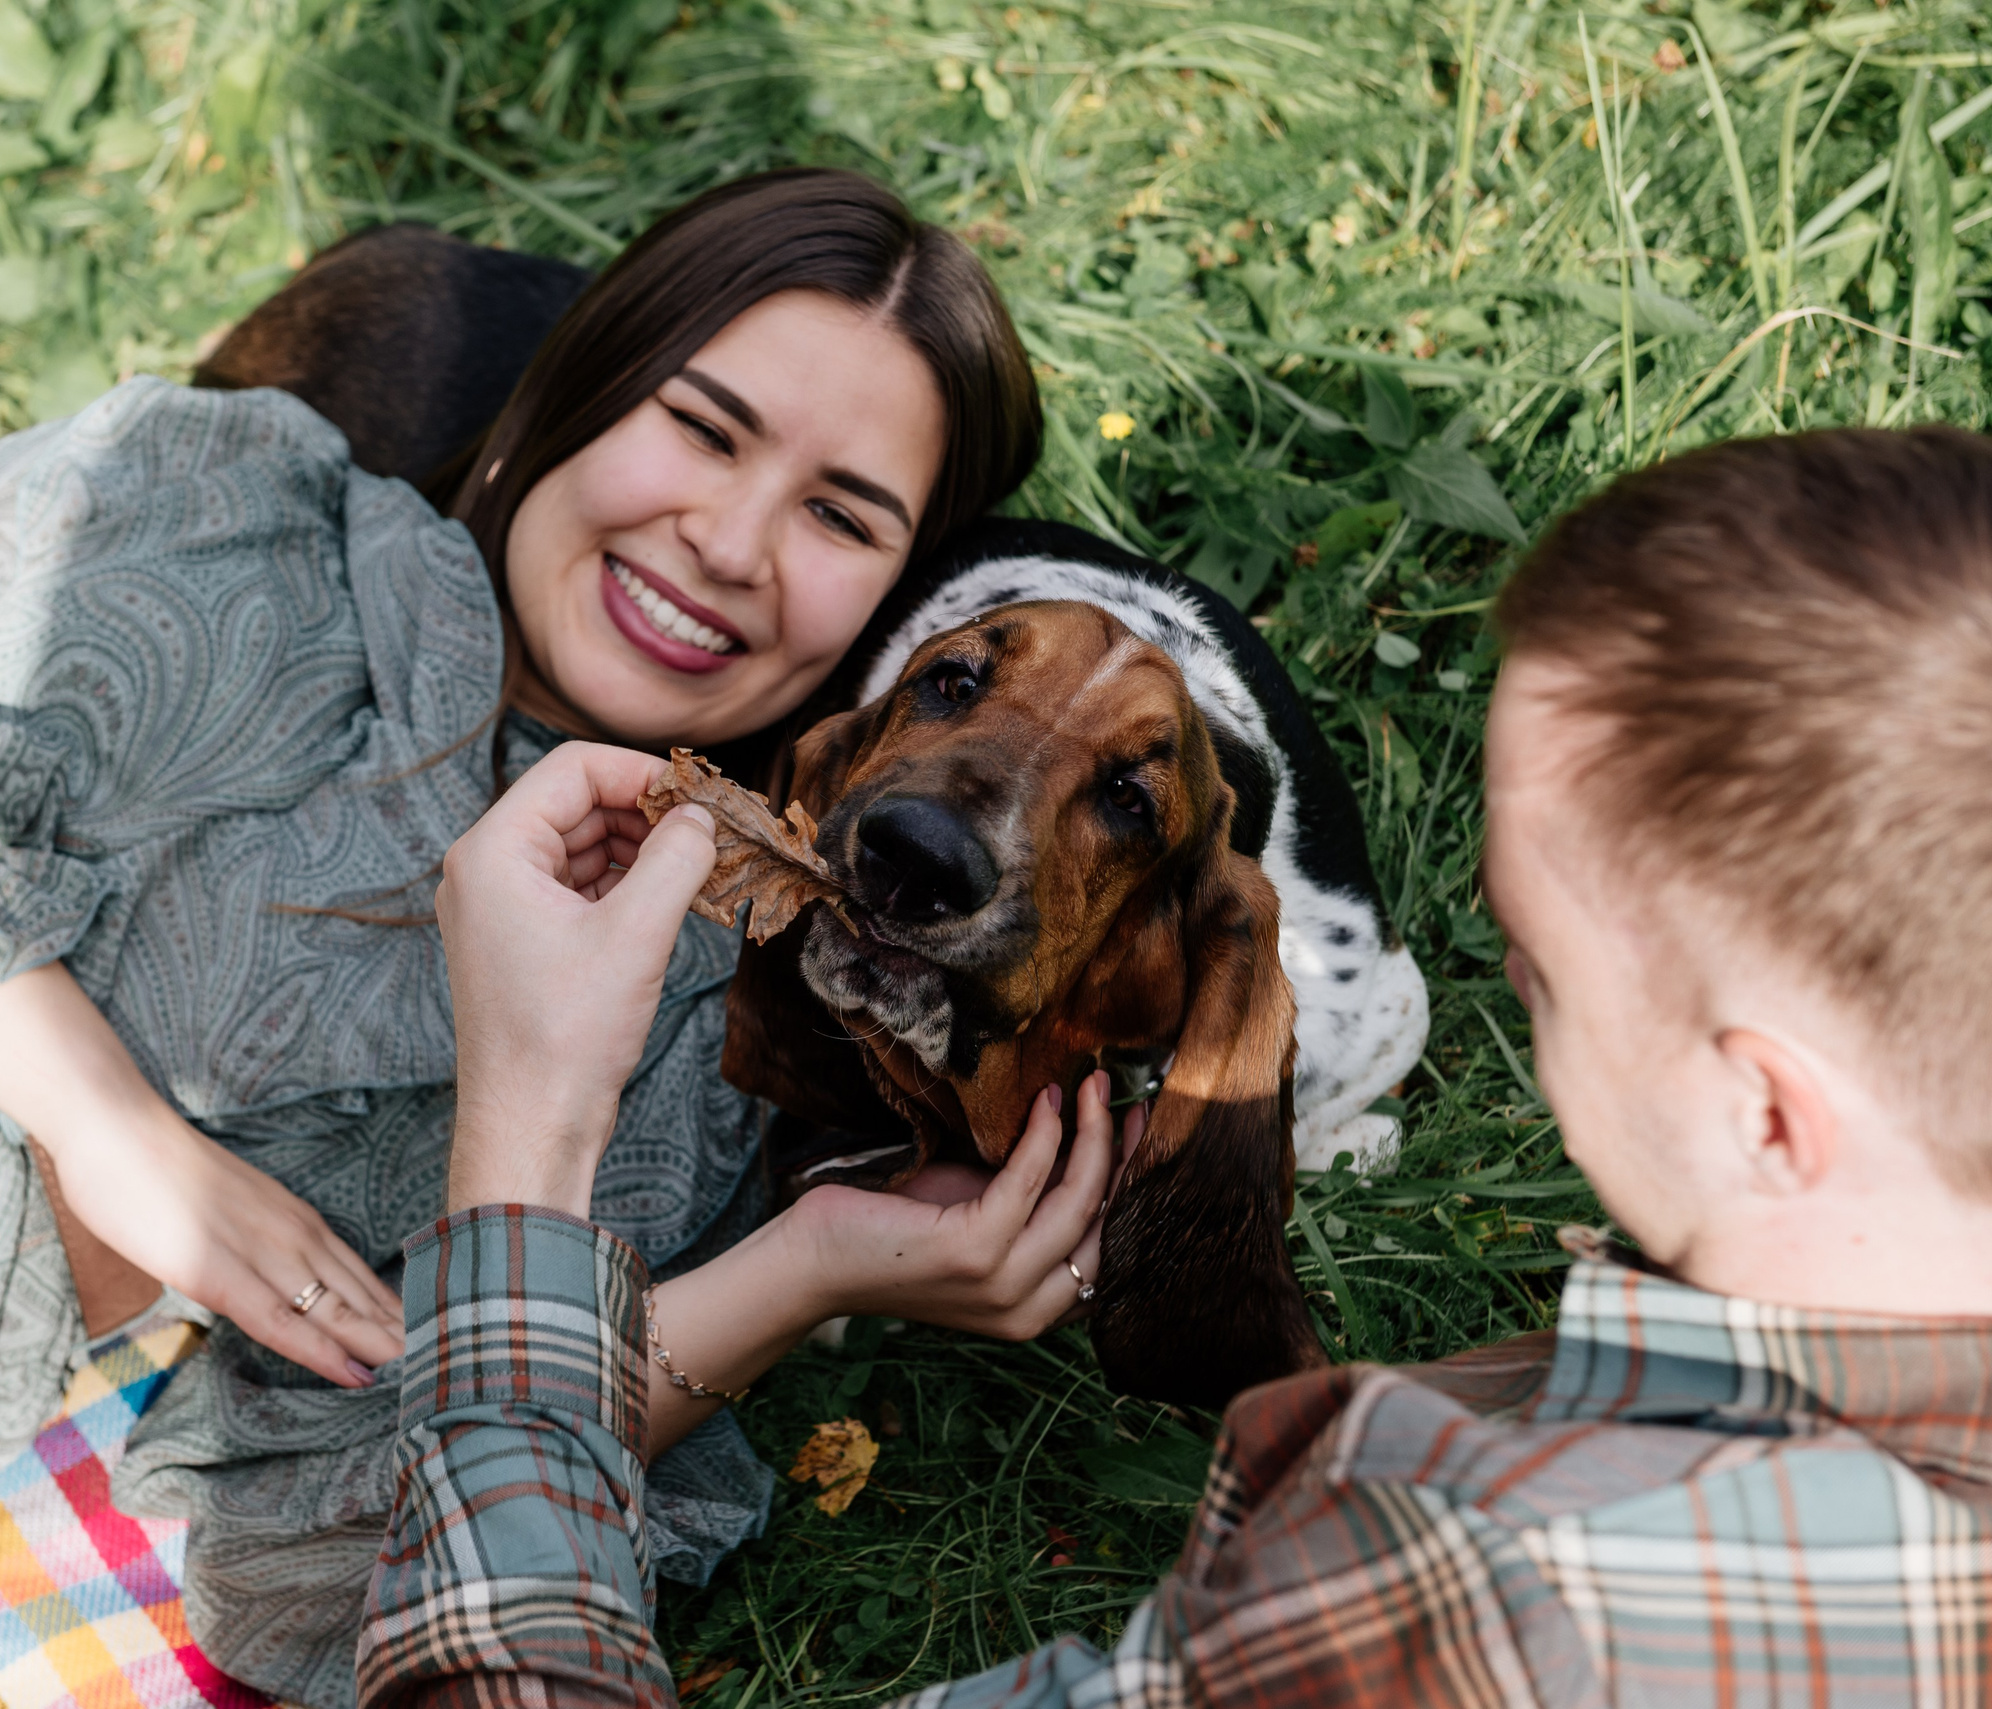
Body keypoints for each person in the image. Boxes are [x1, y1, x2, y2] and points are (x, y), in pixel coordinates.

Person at [0, 168, 1117, 1709]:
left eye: (842, 518)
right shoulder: (242, 499)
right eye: (701, 426)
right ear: (576, 396)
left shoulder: (675, 1019)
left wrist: (795, 1277)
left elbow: (350, 1563)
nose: (732, 544)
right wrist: (116, 1132)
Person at [365, 425, 1992, 1708]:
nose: (1507, 987)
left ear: (1768, 1112)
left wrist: (522, 1146)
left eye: (1535, 972)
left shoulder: (1502, 1608)